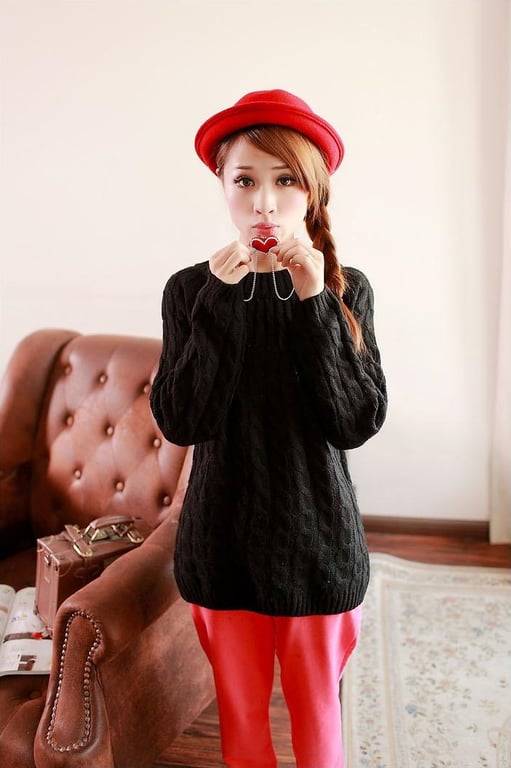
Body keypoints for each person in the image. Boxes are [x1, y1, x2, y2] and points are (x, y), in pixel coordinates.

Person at [150, 89, 387, 768]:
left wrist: (314, 301)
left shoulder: (346, 288)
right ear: (222, 186)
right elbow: (182, 419)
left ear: (311, 191)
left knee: (318, 727)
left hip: (319, 548)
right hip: (220, 545)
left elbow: (355, 421)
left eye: (285, 181)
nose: (264, 203)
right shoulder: (190, 289)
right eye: (245, 181)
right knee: (241, 726)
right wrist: (220, 304)